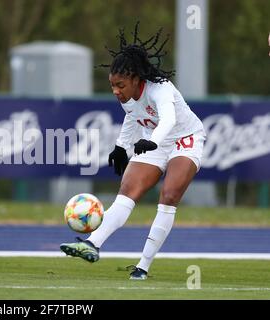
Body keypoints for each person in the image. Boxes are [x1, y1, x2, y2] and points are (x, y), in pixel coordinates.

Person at [60, 22, 206, 280]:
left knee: (169, 195)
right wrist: (120, 146)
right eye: (112, 85)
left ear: (136, 79)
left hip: (185, 138)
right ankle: (91, 244)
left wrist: (151, 142)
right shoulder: (127, 96)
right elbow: (132, 118)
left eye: (120, 85)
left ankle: (143, 266)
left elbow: (169, 120)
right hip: (153, 141)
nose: (116, 91)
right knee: (128, 191)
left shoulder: (160, 89)